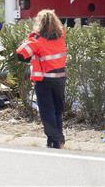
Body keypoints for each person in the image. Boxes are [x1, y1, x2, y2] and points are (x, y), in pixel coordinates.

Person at [16, 9, 67, 149]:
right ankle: (56, 139)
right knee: (57, 110)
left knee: (47, 111)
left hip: (44, 80)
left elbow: (20, 54)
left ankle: (55, 139)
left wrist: (30, 38)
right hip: (60, 78)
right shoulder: (61, 36)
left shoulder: (37, 40)